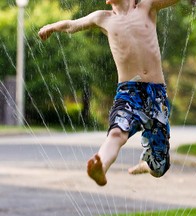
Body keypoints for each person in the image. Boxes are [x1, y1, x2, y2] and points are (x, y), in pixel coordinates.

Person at [38, 0, 179, 186]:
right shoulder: (102, 17)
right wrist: (51, 26)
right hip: (128, 93)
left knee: (160, 168)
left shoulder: (147, 6)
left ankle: (147, 165)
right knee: (116, 133)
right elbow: (72, 25)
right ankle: (100, 167)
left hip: (156, 96)